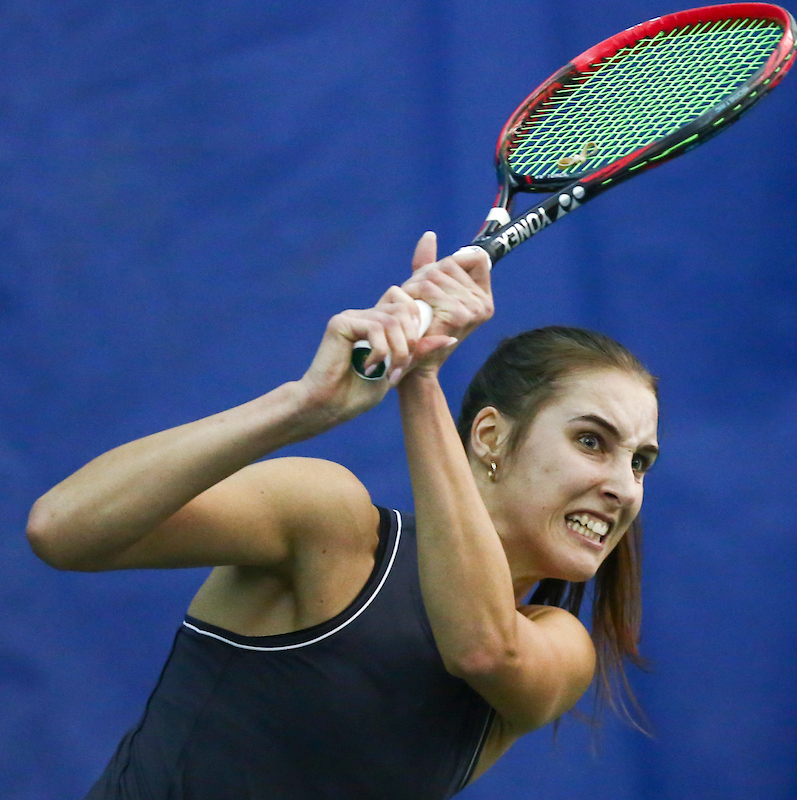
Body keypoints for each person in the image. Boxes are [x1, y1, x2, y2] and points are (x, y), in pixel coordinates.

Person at [26, 232, 660, 799]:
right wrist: (304, 404)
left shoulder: (558, 648)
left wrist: (420, 377)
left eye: (640, 463)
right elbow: (61, 530)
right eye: (591, 441)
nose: (623, 488)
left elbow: (482, 649)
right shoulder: (326, 519)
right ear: (490, 436)